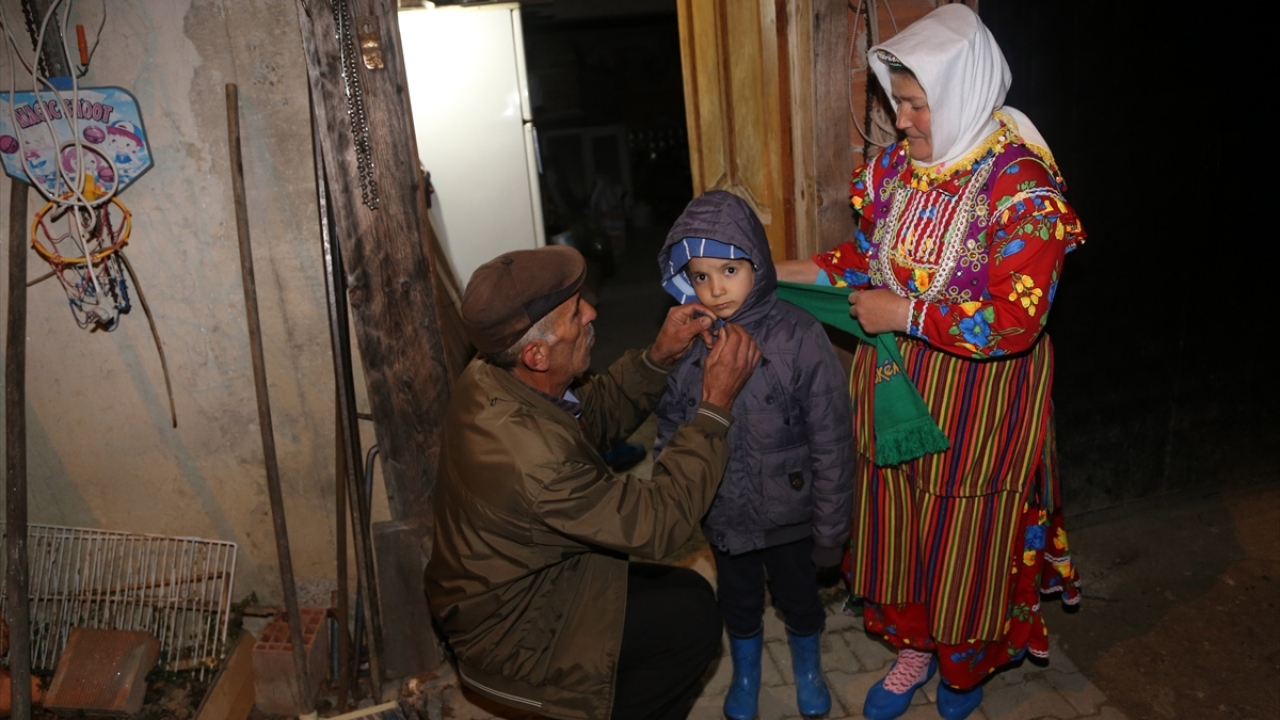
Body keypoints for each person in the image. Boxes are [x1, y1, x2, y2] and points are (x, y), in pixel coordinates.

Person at [776, 6, 1084, 720]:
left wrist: (907, 313)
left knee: (965, 534)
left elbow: (1016, 321)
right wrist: (772, 273)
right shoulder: (896, 171)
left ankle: (963, 663)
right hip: (896, 380)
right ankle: (916, 644)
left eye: (918, 105)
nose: (904, 121)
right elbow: (859, 263)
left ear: (965, 96)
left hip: (980, 395)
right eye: (900, 103)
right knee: (899, 517)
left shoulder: (1022, 192)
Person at [425, 245, 762, 720]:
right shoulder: (529, 458)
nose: (592, 313)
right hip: (512, 635)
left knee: (687, 595)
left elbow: (591, 416)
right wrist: (714, 407)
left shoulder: (494, 372)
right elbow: (657, 522)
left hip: (523, 586)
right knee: (691, 622)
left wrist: (657, 357)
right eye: (574, 313)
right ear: (537, 354)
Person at [653, 191, 853, 720]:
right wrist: (668, 503)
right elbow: (671, 427)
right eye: (700, 275)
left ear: (758, 266)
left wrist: (831, 532)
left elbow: (832, 441)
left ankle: (808, 668)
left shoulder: (801, 336)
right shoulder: (690, 341)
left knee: (800, 599)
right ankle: (746, 672)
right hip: (725, 512)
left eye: (730, 269)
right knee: (737, 602)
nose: (715, 288)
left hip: (792, 516)